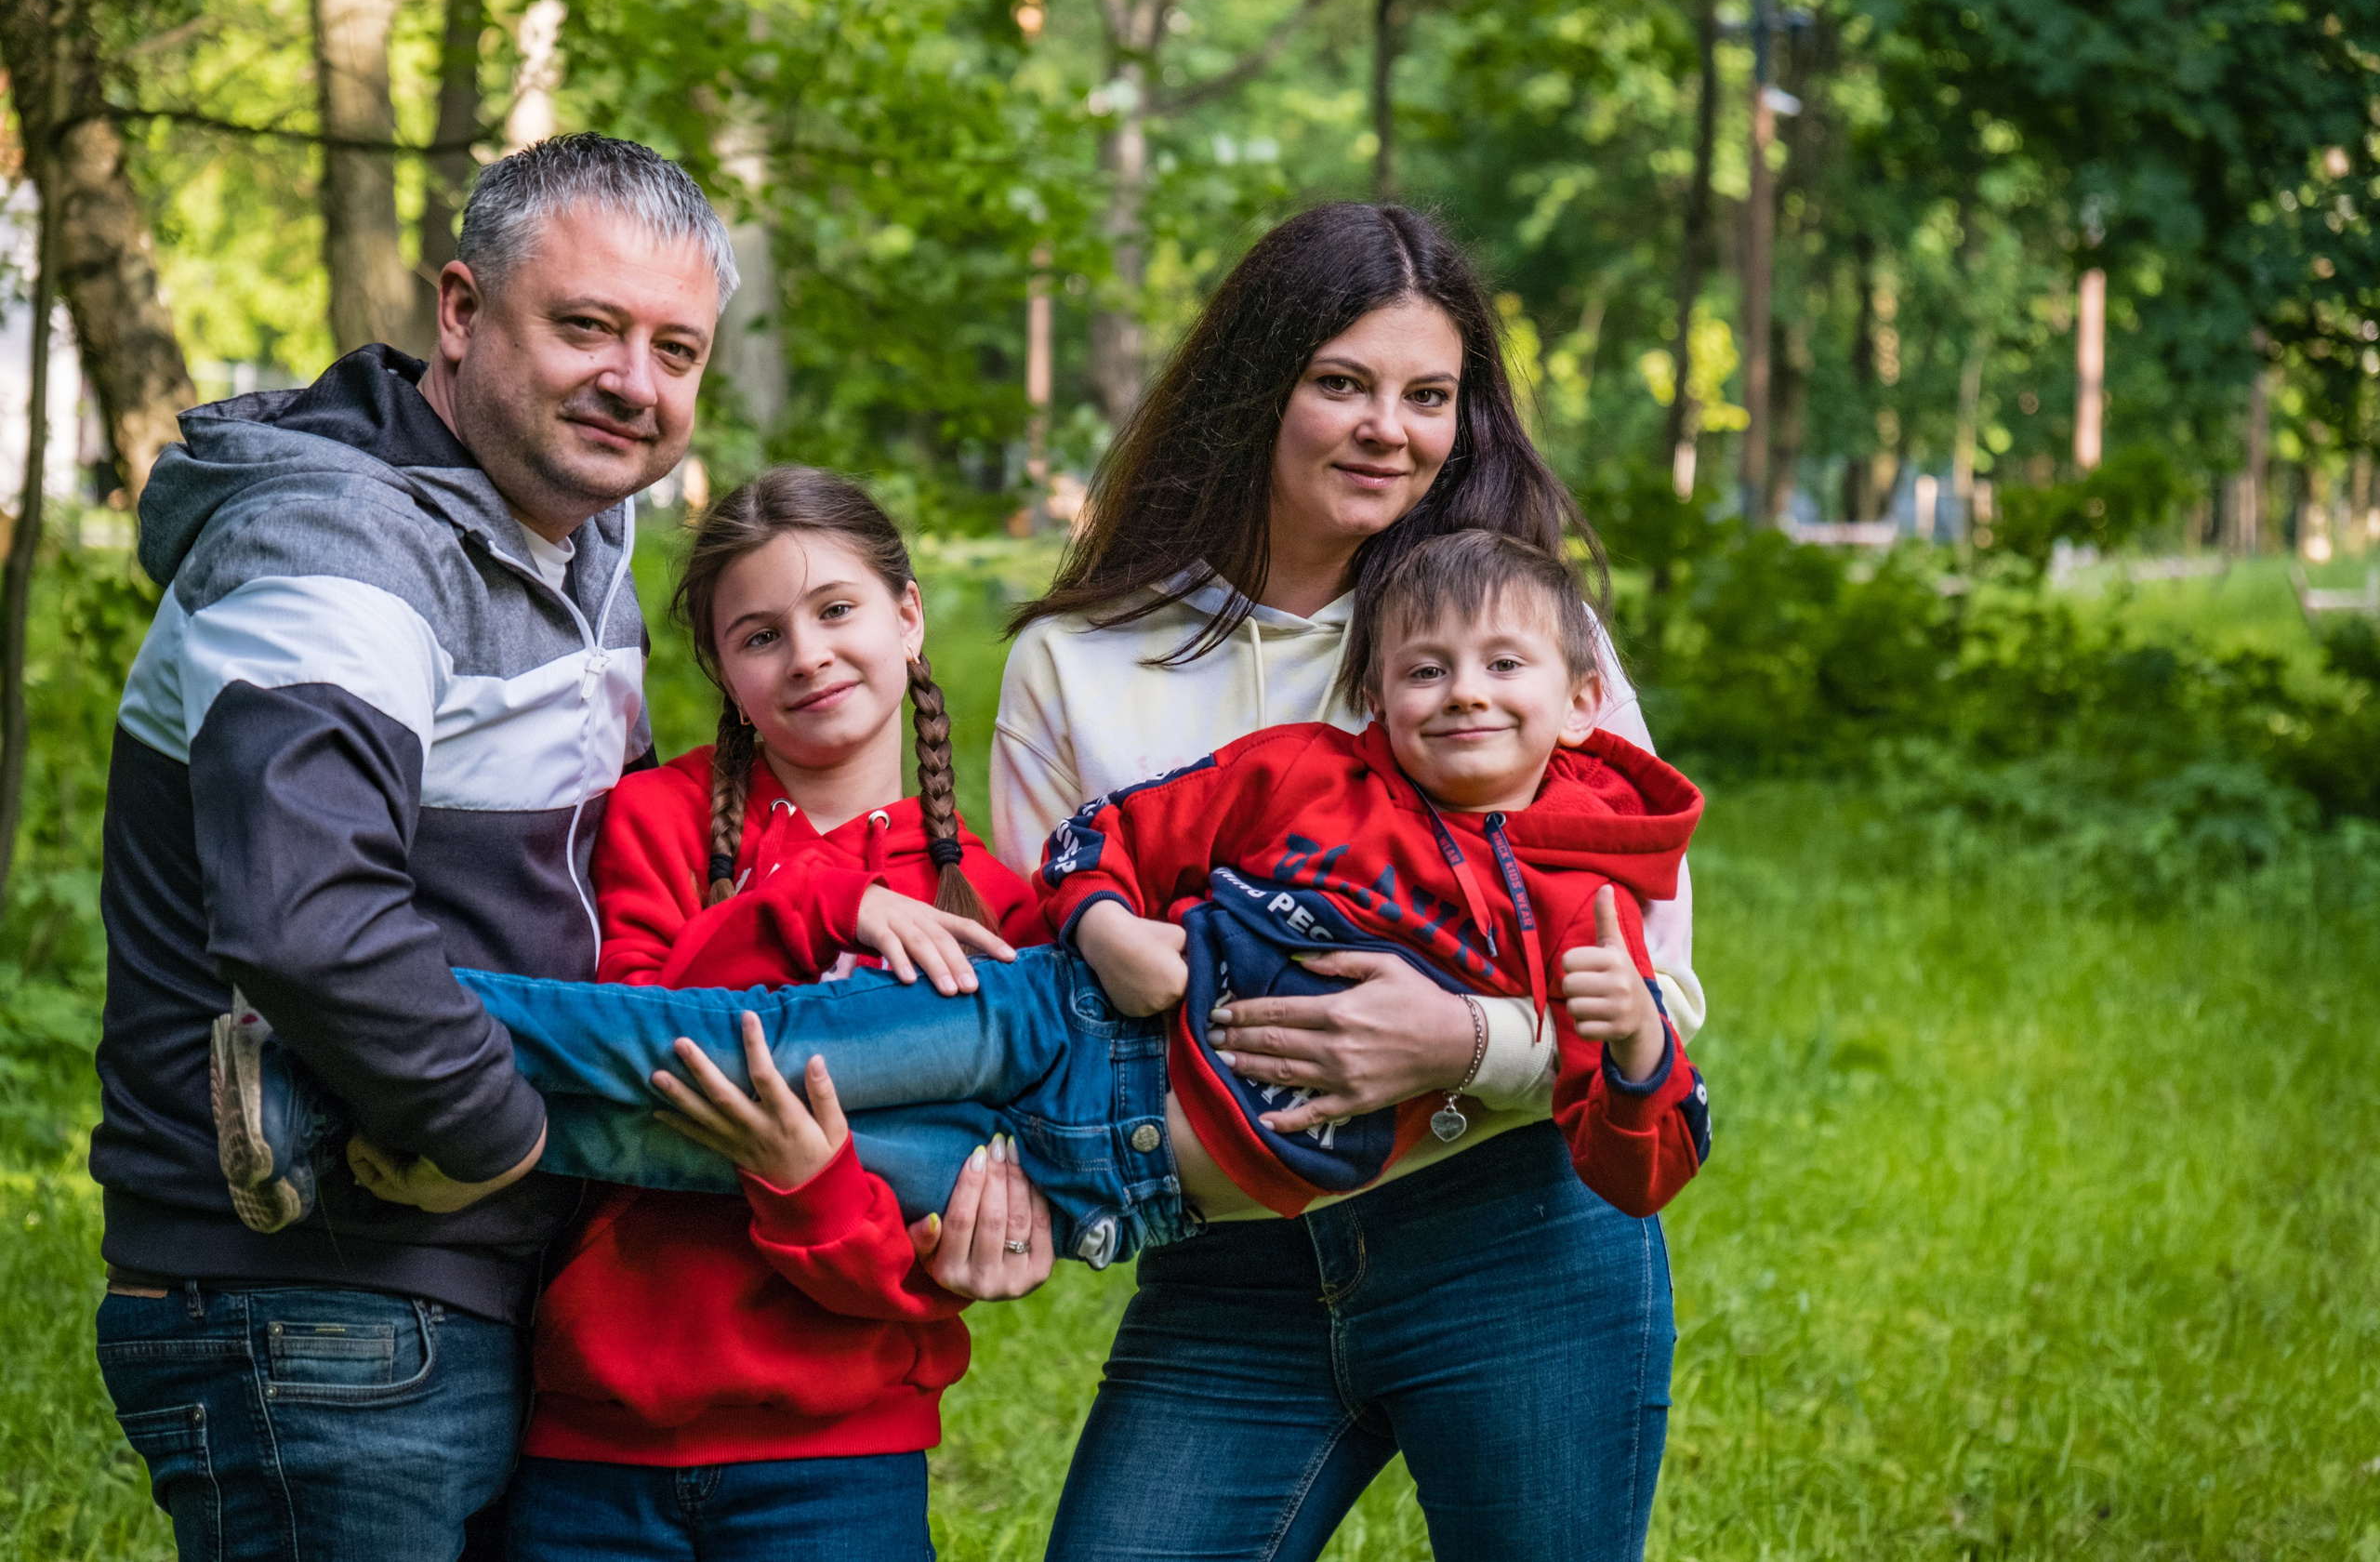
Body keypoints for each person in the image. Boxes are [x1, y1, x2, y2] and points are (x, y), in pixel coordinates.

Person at [87, 134, 1040, 1562]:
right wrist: (511, 1141)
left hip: (464, 1289)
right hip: (317, 1284)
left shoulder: (567, 535)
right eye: (585, 325)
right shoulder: (330, 548)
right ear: (462, 313)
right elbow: (308, 922)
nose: (633, 381)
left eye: (675, 346)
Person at [279, 525, 1706, 1273]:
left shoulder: (1594, 911)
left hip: (1108, 1168)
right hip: (1044, 1009)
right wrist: (1103, 921)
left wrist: (1634, 1047)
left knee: (731, 1145)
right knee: (747, 1051)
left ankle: (407, 1118)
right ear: (1377, 692)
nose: (1462, 692)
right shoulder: (1302, 774)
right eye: (1425, 668)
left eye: (1504, 668)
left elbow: (1640, 1162)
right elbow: (1107, 835)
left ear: (1586, 699)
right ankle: (368, 1012)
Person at [991, 202, 1700, 1559]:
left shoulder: (1510, 647)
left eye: (1429, 395)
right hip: (1228, 1258)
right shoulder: (1076, 664)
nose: (1392, 428)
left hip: (1517, 1231)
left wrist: (1469, 1036)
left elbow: (1659, 984)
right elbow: (1046, 985)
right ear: (1257, 384)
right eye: (1343, 382)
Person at [494, 467, 1052, 1560]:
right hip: (592, 1440)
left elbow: (938, 1212)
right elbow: (630, 1049)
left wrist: (824, 1195)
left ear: (907, 615)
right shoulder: (656, 817)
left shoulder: (991, 909)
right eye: (759, 636)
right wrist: (822, 899)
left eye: (836, 610)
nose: (806, 655)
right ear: (722, 672)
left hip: (839, 1450)